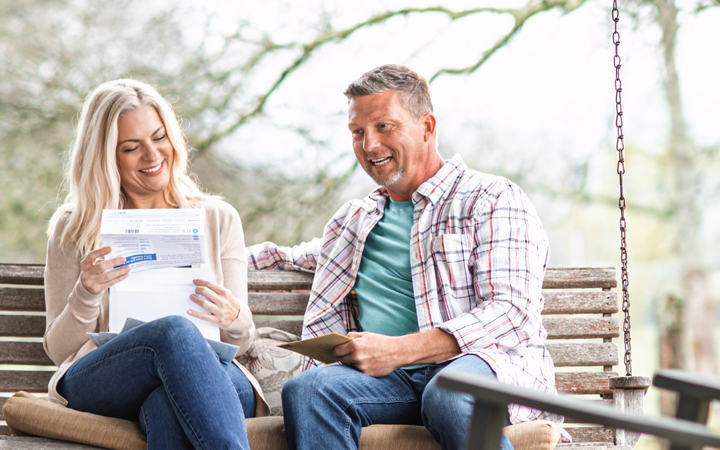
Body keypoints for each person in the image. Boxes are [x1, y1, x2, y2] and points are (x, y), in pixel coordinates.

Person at [247, 65, 559, 450]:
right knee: (310, 390)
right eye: (358, 132)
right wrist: (198, 253)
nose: (369, 145)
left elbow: (512, 313)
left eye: (384, 127)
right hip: (393, 384)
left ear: (427, 128)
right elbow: (289, 258)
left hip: (486, 370)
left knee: (448, 392)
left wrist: (396, 350)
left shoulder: (492, 199)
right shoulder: (353, 223)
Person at [44, 79, 269, 450]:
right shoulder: (75, 228)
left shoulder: (218, 218)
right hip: (110, 377)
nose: (152, 155)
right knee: (173, 333)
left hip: (210, 373)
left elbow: (240, 343)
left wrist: (235, 318)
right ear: (106, 157)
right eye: (132, 147)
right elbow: (58, 350)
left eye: (159, 137)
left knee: (167, 404)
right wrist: (86, 293)